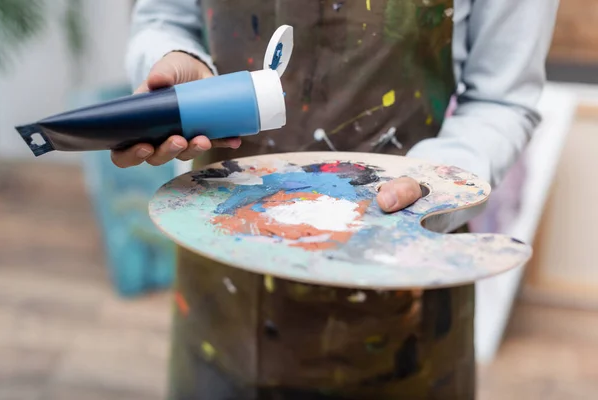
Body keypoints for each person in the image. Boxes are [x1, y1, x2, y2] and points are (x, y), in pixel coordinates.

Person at [119, 0, 559, 398]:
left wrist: (435, 182)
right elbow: (164, 18)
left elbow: (502, 98)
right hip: (220, 295)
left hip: (400, 317)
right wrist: (173, 66)